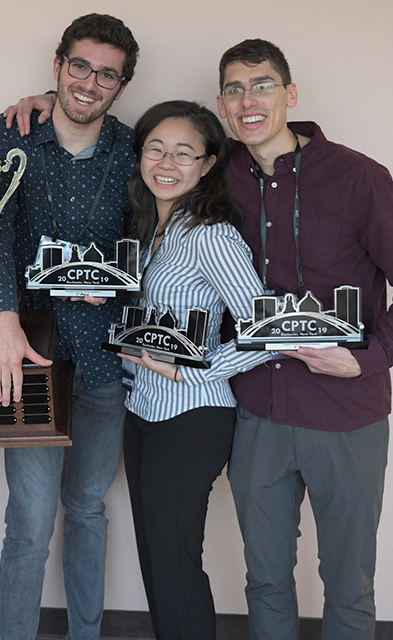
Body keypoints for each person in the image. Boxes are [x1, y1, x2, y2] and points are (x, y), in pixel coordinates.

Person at [214, 39, 393, 639]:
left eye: (261, 84)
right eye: (234, 89)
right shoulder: (217, 179)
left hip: (347, 414)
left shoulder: (358, 178)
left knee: (349, 585)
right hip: (257, 408)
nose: (248, 100)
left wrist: (369, 359)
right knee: (264, 579)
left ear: (290, 95)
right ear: (222, 104)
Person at [0, 13, 138, 640]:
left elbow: (148, 237)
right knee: (31, 522)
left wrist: (125, 282)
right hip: (32, 354)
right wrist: (3, 319)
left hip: (105, 355)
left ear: (120, 86)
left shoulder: (133, 146)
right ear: (57, 66)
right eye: (80, 67)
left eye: (106, 75)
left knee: (89, 509)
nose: (89, 84)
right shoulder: (12, 131)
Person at [117, 101, 267, 639]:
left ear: (207, 166)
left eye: (185, 152)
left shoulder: (211, 235)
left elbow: (266, 330)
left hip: (190, 417)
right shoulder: (154, 230)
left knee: (175, 565)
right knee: (157, 561)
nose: (166, 161)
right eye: (156, 148)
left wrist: (193, 371)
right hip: (143, 411)